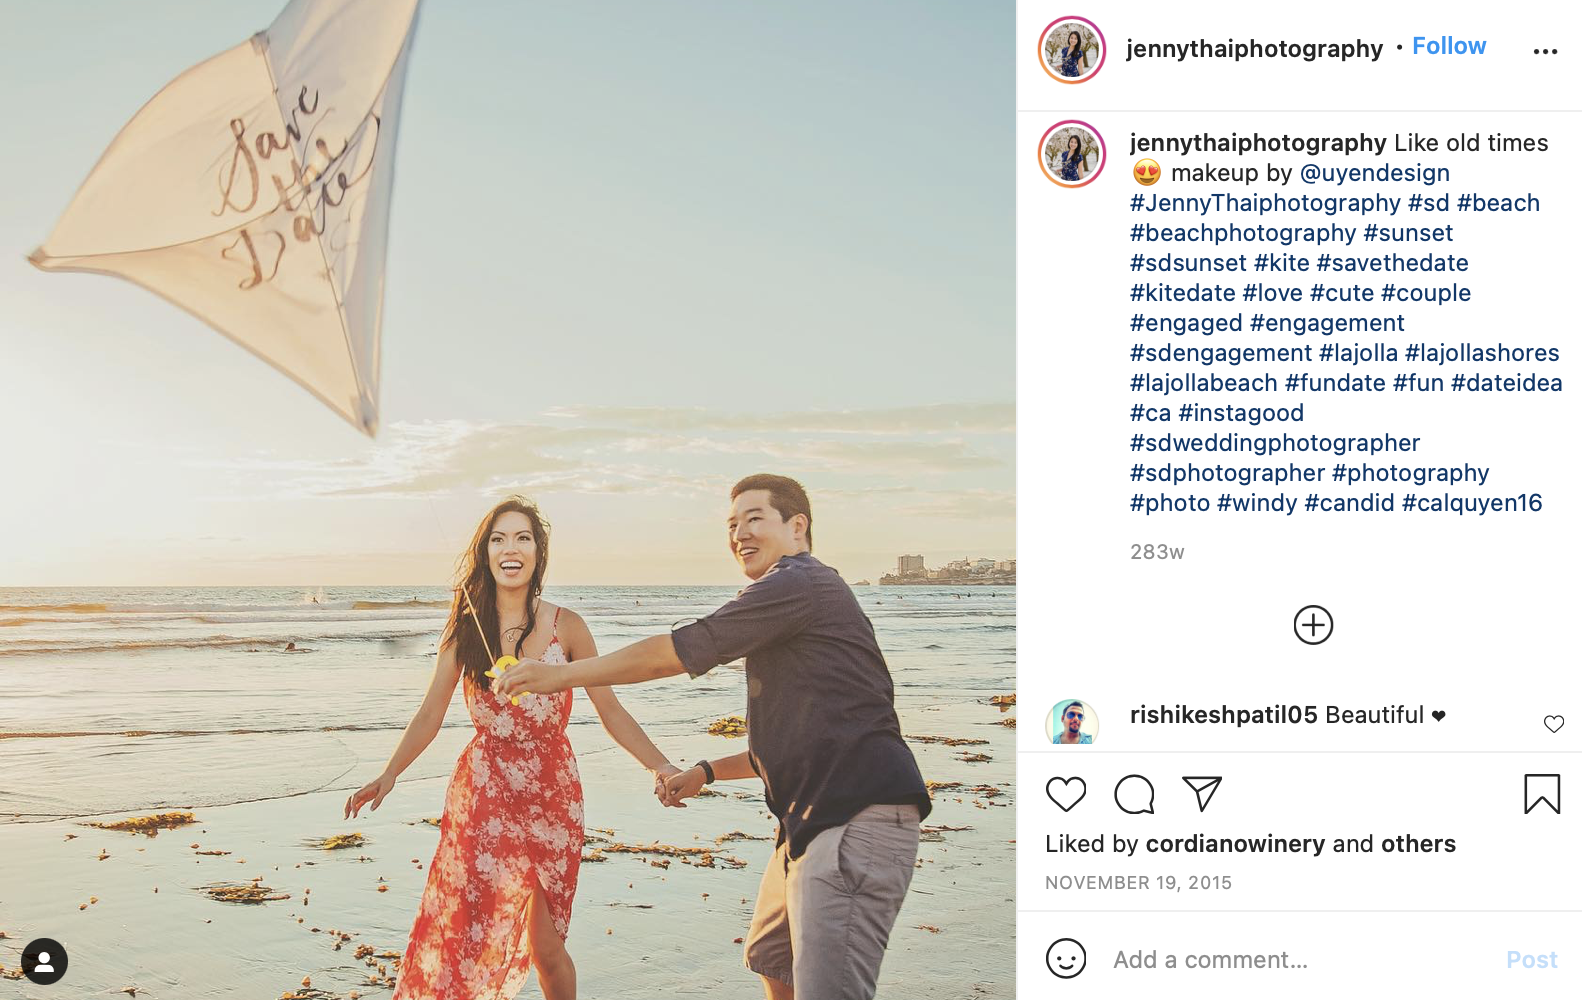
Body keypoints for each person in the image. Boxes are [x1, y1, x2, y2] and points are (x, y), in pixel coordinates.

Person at [495, 474, 931, 1000]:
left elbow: (677, 652)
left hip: (855, 819)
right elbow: (796, 740)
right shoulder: (793, 600)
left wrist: (557, 675)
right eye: (731, 524)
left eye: (754, 519)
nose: (740, 533)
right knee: (772, 955)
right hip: (811, 822)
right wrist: (705, 772)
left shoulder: (798, 583)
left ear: (798, 527)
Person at [344, 497, 678, 1000]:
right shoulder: (465, 626)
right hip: (484, 792)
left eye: (522, 538)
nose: (510, 548)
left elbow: (610, 710)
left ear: (538, 553)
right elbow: (432, 710)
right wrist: (389, 774)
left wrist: (660, 764)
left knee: (546, 946)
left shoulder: (568, 626)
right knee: (464, 933)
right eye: (499, 539)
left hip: (553, 793)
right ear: (486, 553)